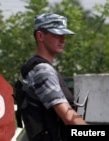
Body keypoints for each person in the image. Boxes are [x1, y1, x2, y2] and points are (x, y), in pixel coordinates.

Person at [18, 13, 87, 141]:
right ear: (40, 36)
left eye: (64, 35)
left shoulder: (34, 65)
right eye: (57, 34)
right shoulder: (43, 71)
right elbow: (69, 118)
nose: (63, 39)